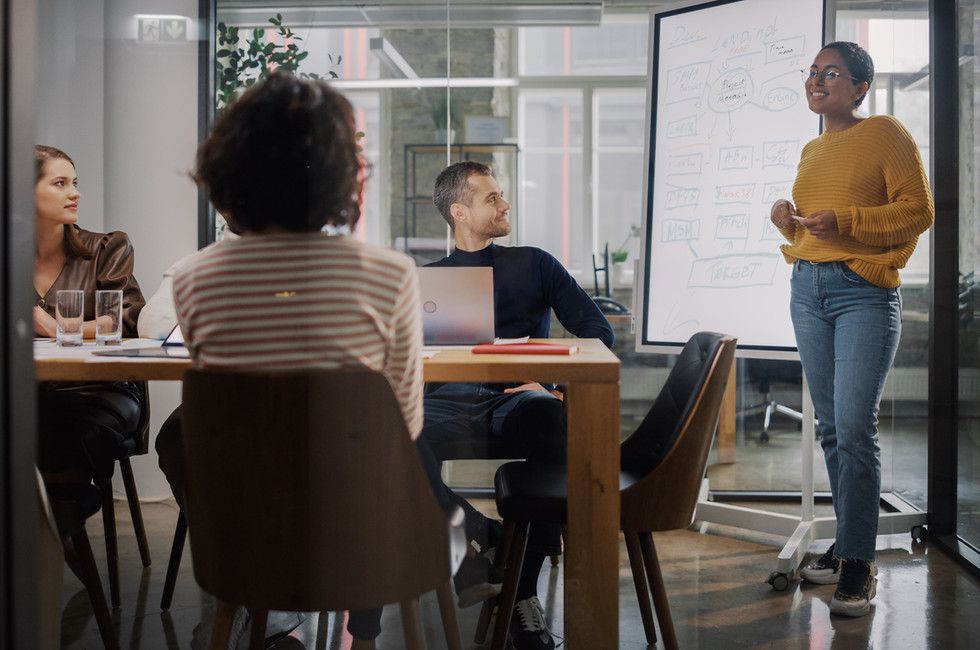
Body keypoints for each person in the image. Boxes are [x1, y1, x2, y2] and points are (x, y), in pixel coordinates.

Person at [155, 72, 422, 650]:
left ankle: (260, 615)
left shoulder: (196, 278)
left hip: (247, 534)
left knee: (177, 435)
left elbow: (220, 414)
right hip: (360, 529)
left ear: (230, 169)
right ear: (341, 172)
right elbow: (404, 425)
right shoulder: (389, 274)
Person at [770, 42, 934, 618]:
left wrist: (850, 222)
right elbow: (818, 233)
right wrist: (787, 223)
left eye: (831, 73)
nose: (817, 81)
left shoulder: (885, 133)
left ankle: (859, 565)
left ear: (860, 87)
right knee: (834, 430)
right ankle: (849, 545)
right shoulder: (814, 149)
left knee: (856, 428)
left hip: (862, 292)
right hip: (808, 288)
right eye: (812, 73)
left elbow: (919, 211)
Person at [421, 161, 614, 650]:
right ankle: (474, 531)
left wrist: (547, 381)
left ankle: (521, 594)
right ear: (459, 212)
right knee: (391, 439)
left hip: (517, 400)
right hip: (449, 401)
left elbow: (598, 331)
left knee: (550, 418)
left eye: (502, 195)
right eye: (492, 199)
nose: (505, 205)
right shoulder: (427, 280)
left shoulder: (534, 263)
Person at [33, 144, 146, 487]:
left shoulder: (106, 248)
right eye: (60, 183)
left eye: (75, 182)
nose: (75, 193)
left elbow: (123, 320)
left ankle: (65, 527)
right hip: (27, 388)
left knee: (55, 425)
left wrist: (54, 326)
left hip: (97, 388)